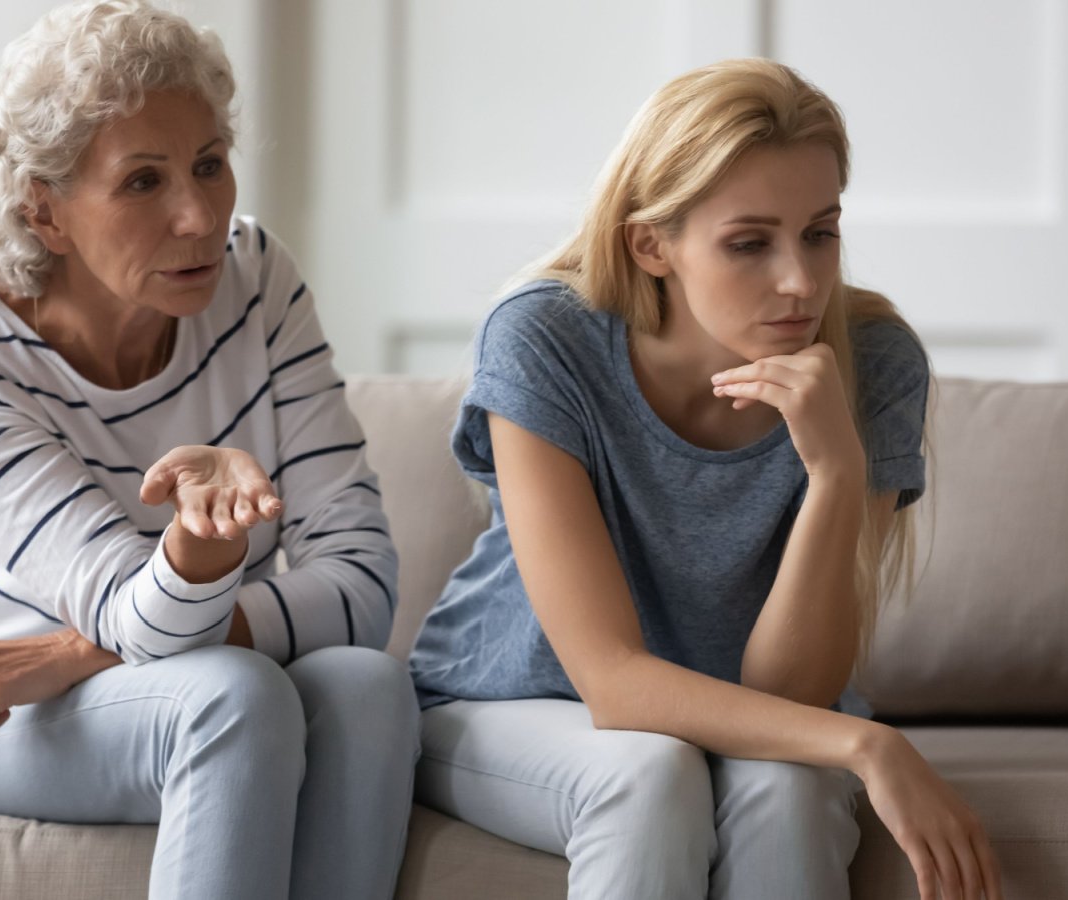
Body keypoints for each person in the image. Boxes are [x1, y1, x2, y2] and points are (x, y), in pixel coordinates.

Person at [0, 3, 417, 898]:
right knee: (231, 697)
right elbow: (128, 605)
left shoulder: (255, 276)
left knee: (365, 689)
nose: (199, 216)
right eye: (143, 183)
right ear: (46, 210)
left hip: (83, 672)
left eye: (208, 164)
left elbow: (367, 582)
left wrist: (76, 653)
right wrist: (202, 549)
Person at [409, 58, 1003, 900]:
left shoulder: (875, 364)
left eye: (820, 232)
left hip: (739, 713)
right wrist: (869, 746)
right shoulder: (544, 339)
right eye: (750, 243)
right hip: (508, 702)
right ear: (652, 243)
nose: (800, 280)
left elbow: (789, 694)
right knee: (650, 774)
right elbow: (611, 681)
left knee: (789, 791)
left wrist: (835, 473)